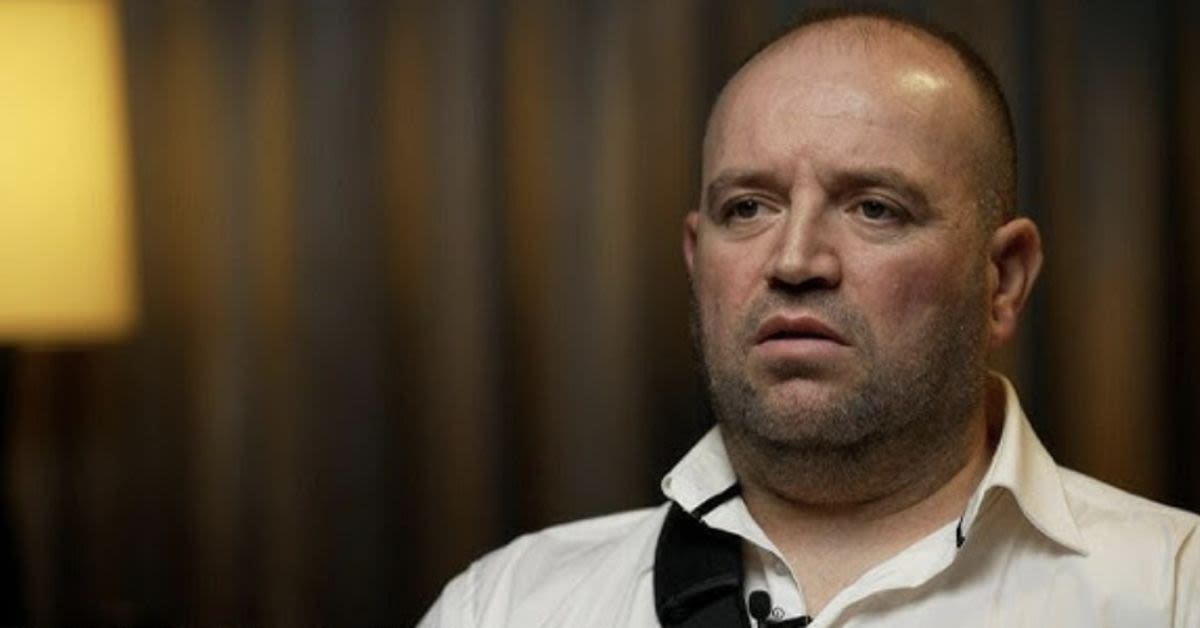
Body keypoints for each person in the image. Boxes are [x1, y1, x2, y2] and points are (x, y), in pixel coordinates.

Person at [419, 9, 1199, 627]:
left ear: (1003, 279)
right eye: (748, 208)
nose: (794, 260)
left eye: (874, 208)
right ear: (697, 260)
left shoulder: (1174, 591)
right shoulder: (507, 606)